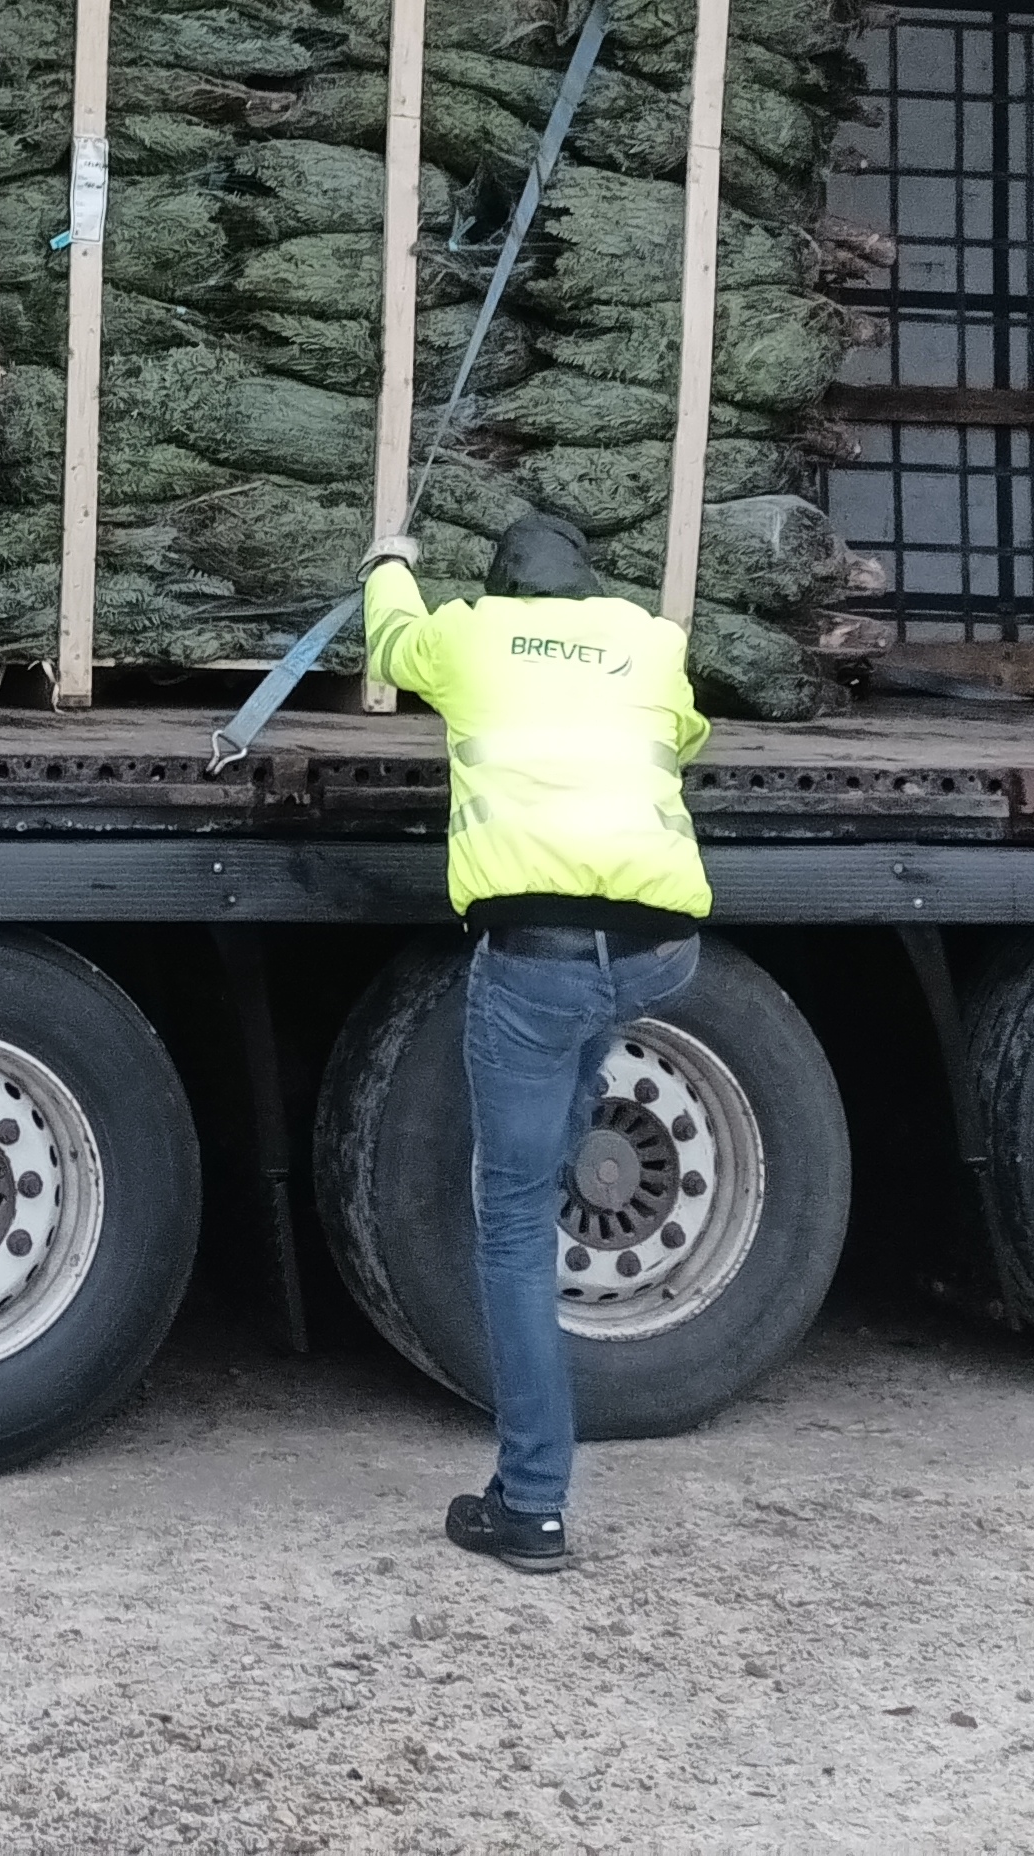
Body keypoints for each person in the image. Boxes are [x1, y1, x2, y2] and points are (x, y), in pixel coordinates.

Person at [359, 506, 713, 1576]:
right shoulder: (648, 638)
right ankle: (560, 1137)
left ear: (502, 586)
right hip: (657, 950)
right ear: (587, 584)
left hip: (537, 959)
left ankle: (531, 1504)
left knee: (513, 1224)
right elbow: (685, 737)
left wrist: (388, 563)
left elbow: (390, 643)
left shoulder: (468, 633)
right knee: (574, 1053)